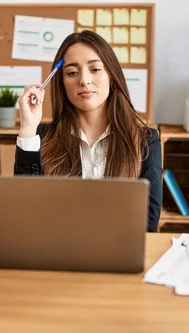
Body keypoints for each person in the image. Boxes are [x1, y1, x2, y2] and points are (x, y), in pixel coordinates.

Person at [14, 30, 162, 232]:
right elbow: (23, 210)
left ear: (111, 74)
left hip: (118, 256)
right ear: (61, 82)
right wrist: (28, 128)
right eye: (72, 72)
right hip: (57, 254)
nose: (84, 80)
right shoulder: (43, 137)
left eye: (95, 69)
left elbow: (148, 225)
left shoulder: (145, 140)